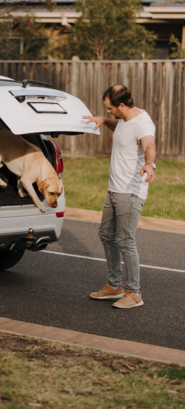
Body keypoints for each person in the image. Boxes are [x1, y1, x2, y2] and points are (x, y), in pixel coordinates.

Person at [83, 84, 156, 309]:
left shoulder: (143, 123)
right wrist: (105, 122)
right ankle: (115, 286)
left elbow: (149, 144)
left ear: (122, 105)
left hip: (130, 191)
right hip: (114, 189)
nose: (108, 111)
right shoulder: (125, 119)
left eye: (110, 109)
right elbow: (123, 129)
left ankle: (134, 292)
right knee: (106, 234)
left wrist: (149, 163)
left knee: (125, 240)